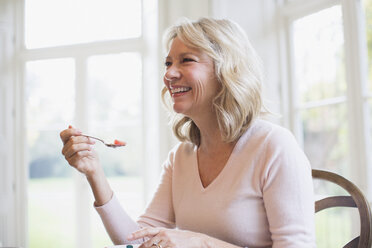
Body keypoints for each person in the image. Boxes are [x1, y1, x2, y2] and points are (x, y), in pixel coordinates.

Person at [60, 17, 316, 248]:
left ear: (226, 70)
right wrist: (94, 172)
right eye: (168, 63)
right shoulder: (180, 157)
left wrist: (203, 243)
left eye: (187, 60)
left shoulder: (274, 146)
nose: (169, 74)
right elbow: (139, 240)